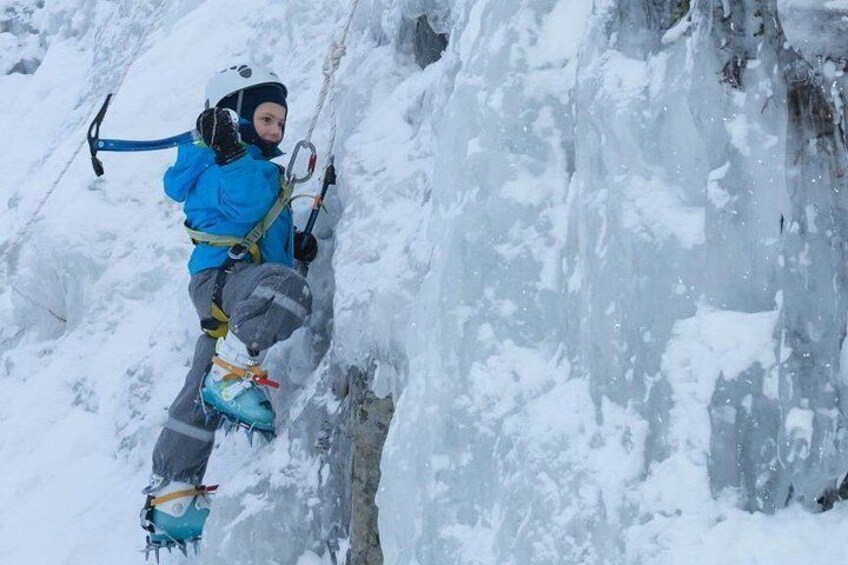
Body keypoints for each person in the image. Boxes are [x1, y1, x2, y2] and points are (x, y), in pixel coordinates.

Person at [138, 63, 319, 553]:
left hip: (231, 283)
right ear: (232, 117)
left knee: (201, 378)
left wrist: (293, 244)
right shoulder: (219, 165)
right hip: (228, 280)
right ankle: (235, 373)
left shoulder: (239, 165)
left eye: (280, 123)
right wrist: (228, 152)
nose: (276, 130)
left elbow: (254, 215)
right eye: (265, 118)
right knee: (287, 290)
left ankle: (173, 491)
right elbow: (243, 203)